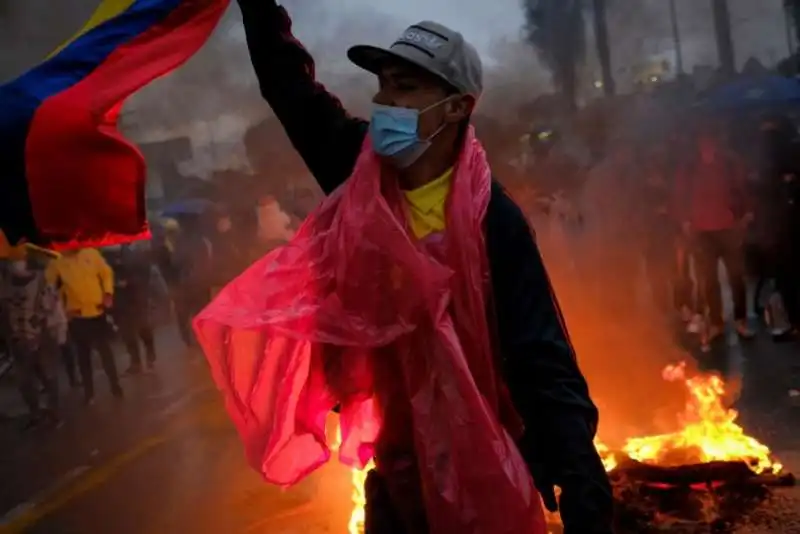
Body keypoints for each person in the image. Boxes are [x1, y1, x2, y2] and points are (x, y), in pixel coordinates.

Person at [234, 2, 612, 533]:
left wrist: (581, 478)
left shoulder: (492, 220)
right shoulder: (356, 168)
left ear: (458, 107)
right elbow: (287, 87)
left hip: (491, 463)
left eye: (406, 88)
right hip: (398, 466)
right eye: (384, 85)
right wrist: (258, 8)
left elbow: (539, 353)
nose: (385, 101)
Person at [674, 131, 753, 347]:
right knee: (709, 280)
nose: (707, 146)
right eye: (703, 142)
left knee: (736, 276)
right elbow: (680, 195)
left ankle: (740, 320)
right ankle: (716, 322)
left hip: (728, 228)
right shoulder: (689, 166)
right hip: (702, 232)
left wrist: (746, 213)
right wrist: (685, 220)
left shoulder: (729, 162)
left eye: (711, 141)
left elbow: (742, 187)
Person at [46, 247, 123, 404]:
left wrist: (108, 293)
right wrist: (61, 309)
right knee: (83, 356)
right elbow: (49, 287)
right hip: (77, 316)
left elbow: (106, 272)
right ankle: (89, 393)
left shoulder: (91, 253)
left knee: (105, 352)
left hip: (97, 312)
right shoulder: (56, 262)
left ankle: (115, 386)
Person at [1, 249, 65, 429]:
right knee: (25, 382)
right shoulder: (6, 283)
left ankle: (55, 414)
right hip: (18, 341)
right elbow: (5, 311)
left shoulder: (41, 281)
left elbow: (49, 308)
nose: (17, 263)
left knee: (48, 376)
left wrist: (40, 333)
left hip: (41, 338)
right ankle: (35, 413)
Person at [108, 245, 157, 374]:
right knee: (127, 333)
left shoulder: (136, 254)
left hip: (137, 298)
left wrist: (129, 282)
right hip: (120, 302)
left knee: (143, 329)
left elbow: (145, 274)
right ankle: (135, 362)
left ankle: (150, 357)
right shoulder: (107, 257)